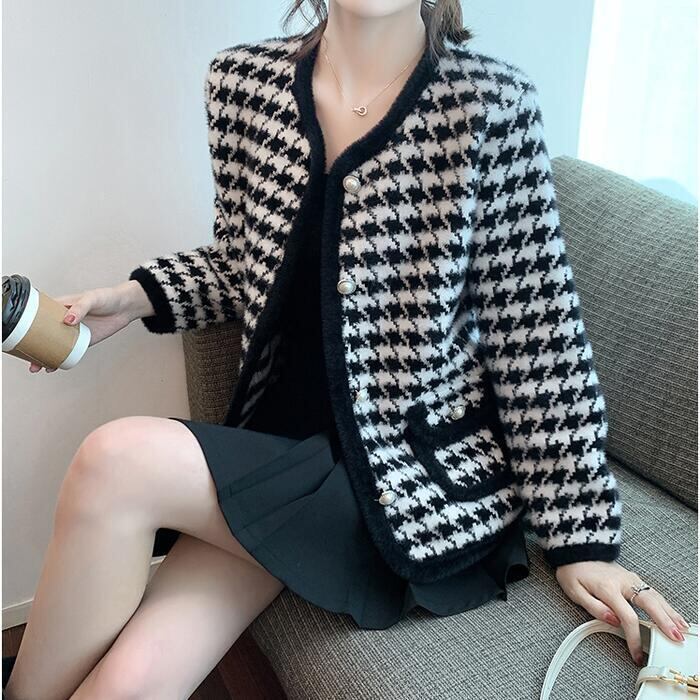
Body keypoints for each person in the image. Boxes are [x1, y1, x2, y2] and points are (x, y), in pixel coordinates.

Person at [4, 1, 691, 698]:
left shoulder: (488, 106)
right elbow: (248, 263)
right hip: (274, 456)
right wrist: (136, 297)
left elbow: (538, 336)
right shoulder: (243, 85)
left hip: (399, 477)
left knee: (114, 461)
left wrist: (583, 540)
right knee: (128, 683)